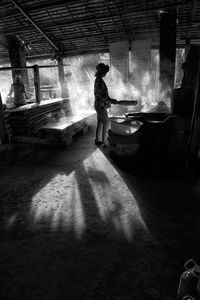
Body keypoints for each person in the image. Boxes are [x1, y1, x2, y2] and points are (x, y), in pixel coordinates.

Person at [94, 63, 117, 146]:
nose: (106, 74)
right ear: (102, 72)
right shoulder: (99, 81)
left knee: (100, 122)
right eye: (105, 72)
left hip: (98, 105)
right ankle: (105, 142)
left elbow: (103, 95)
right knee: (106, 122)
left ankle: (98, 139)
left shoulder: (98, 79)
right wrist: (111, 100)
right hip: (101, 105)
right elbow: (101, 96)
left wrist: (110, 100)